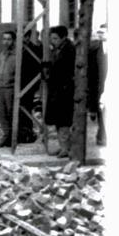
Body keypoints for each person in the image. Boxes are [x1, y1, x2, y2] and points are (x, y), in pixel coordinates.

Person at [45, 25, 76, 157]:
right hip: (57, 89)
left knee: (64, 120)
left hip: (64, 90)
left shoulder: (68, 50)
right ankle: (63, 146)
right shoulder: (58, 49)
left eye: (55, 38)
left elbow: (64, 70)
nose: (52, 40)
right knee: (58, 119)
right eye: (51, 38)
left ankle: (66, 148)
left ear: (63, 37)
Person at [88, 26, 107, 146]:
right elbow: (92, 74)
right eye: (99, 33)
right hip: (100, 86)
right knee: (102, 111)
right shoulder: (94, 50)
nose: (101, 36)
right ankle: (102, 135)